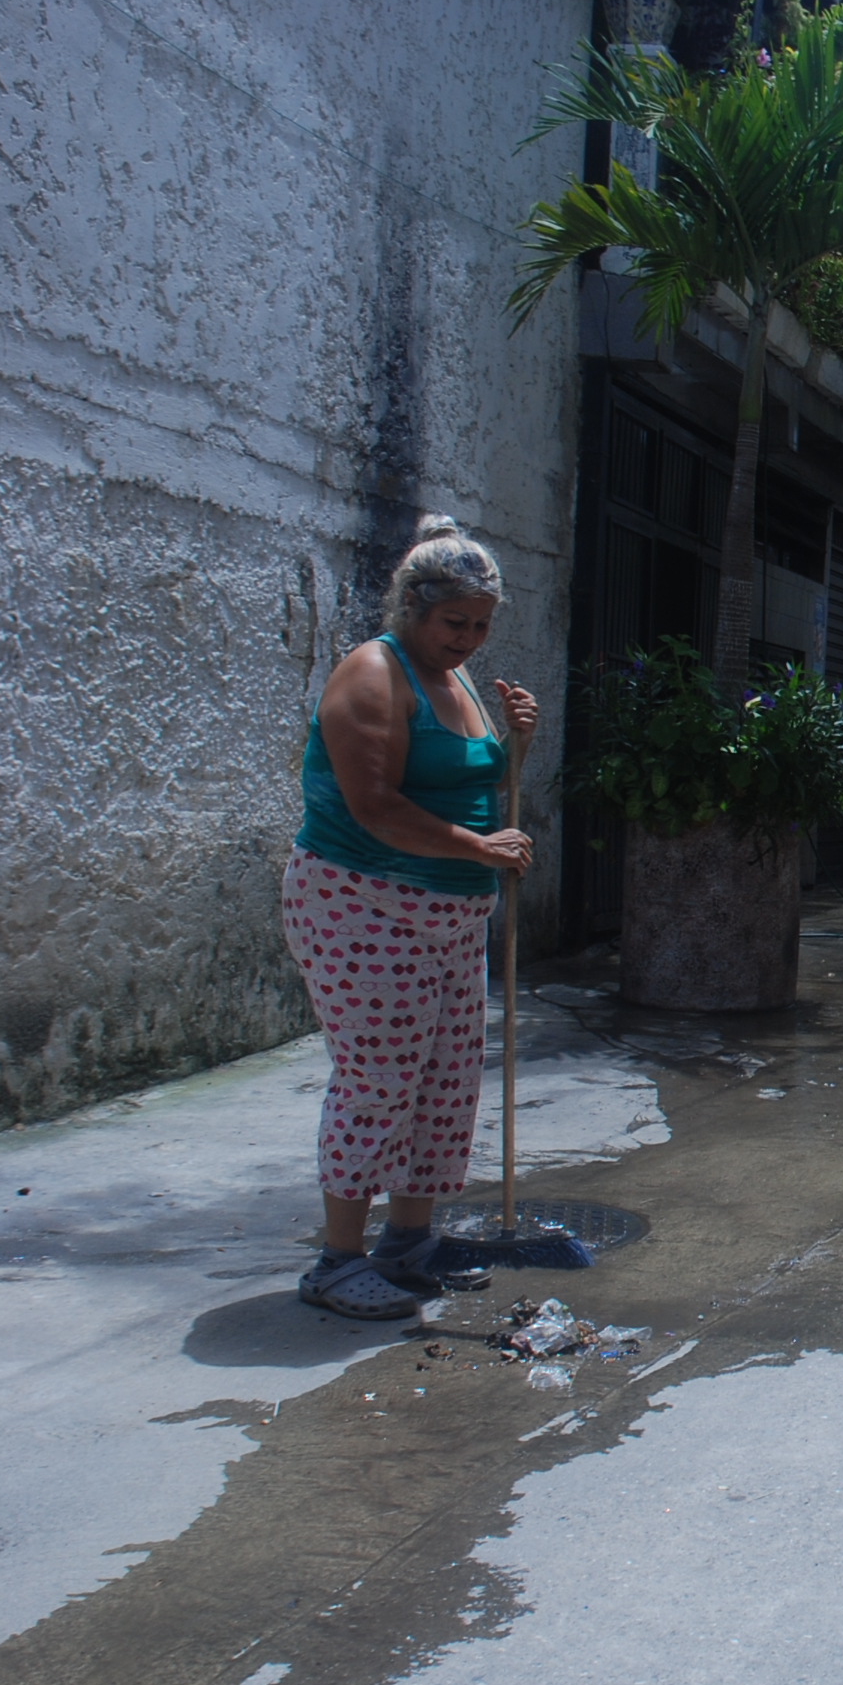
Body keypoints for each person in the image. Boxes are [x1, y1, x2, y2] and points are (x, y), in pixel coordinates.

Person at [286, 515, 536, 1319]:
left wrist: (519, 746)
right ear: (412, 609)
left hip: (452, 915)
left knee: (444, 1080)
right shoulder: (373, 673)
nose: (468, 638)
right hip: (363, 905)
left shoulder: (458, 680)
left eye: (481, 626)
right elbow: (376, 809)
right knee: (378, 1079)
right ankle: (336, 1260)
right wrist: (481, 849)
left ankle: (410, 1242)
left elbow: (472, 782)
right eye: (454, 622)